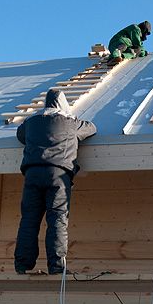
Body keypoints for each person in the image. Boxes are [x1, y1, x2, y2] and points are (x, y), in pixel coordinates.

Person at [14, 89, 97, 275]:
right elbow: (92, 128)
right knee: (58, 219)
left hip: (32, 174)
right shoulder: (71, 122)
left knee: (29, 220)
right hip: (58, 175)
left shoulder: (32, 122)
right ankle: (57, 266)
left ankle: (22, 264)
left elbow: (20, 135)